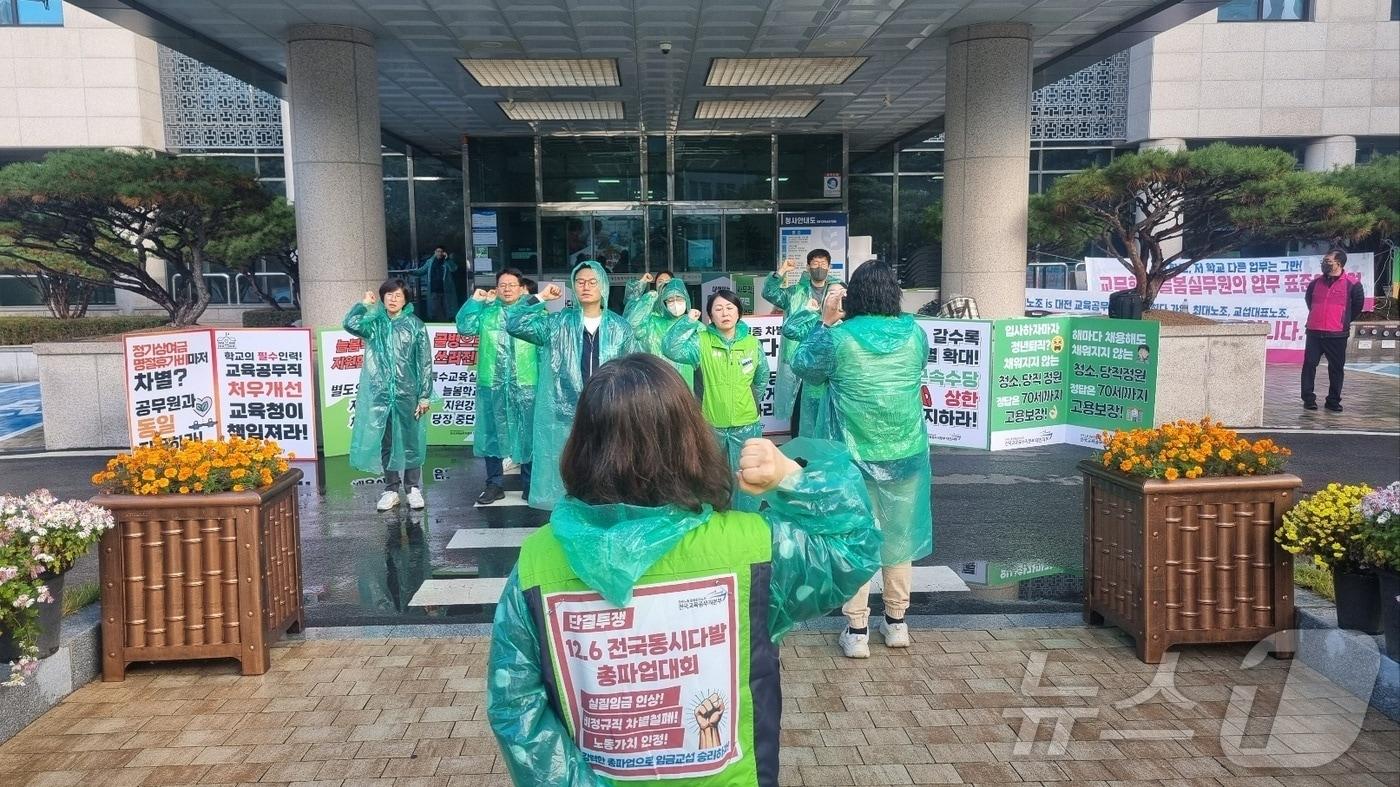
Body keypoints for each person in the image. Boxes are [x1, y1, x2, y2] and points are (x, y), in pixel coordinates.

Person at [486, 353, 881, 786]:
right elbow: (854, 548)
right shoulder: (753, 547)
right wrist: (791, 477)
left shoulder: (538, 563)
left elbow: (515, 707)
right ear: (691, 437)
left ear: (581, 444)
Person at [792, 261, 934, 659]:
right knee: (898, 539)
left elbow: (805, 367)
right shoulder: (914, 335)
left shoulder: (839, 338)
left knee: (854, 539)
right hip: (905, 452)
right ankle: (897, 623)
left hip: (852, 458)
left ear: (853, 294)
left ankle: (857, 629)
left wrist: (824, 321)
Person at [505, 260, 639, 510]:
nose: (586, 286)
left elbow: (632, 372)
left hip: (608, 411)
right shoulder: (557, 323)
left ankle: (603, 515)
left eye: (592, 281)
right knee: (567, 470)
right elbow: (514, 324)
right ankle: (567, 519)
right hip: (564, 412)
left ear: (604, 286)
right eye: (580, 281)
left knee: (607, 468)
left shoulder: (621, 328)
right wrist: (540, 298)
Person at [663, 290, 767, 510]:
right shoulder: (701, 343)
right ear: (710, 316)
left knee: (748, 476)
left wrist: (749, 403)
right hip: (712, 425)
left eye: (730, 308)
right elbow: (670, 349)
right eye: (718, 309)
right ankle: (716, 522)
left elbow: (761, 378)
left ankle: (746, 522)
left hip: (746, 423)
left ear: (739, 313)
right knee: (712, 478)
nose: (725, 313)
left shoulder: (752, 343)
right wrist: (687, 323)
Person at [343, 279, 433, 511]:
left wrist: (424, 395)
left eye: (398, 295)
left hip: (408, 392)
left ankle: (413, 488)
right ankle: (391, 488)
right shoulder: (375, 324)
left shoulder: (415, 325)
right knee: (388, 442)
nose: (393, 299)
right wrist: (364, 305)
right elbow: (350, 324)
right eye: (389, 295)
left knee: (411, 442)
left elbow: (424, 362)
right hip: (381, 393)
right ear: (383, 298)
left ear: (406, 299)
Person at [456, 268, 537, 505]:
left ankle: (530, 484)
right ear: (497, 288)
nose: (507, 288)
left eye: (512, 284)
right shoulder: (487, 313)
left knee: (527, 434)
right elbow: (465, 327)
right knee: (492, 434)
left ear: (522, 288)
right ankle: (494, 484)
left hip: (526, 382)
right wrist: (475, 302)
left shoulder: (532, 312)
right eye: (503, 284)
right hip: (491, 382)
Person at [764, 248, 842, 436]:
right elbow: (770, 293)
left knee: (828, 409)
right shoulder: (795, 292)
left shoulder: (838, 291)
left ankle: (823, 454)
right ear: (808, 266)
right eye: (815, 263)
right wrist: (781, 272)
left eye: (823, 263)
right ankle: (799, 454)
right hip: (799, 360)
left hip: (828, 359)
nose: (819, 267)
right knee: (799, 408)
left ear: (829, 267)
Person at [1302, 248, 1365, 413]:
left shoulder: (1353, 284)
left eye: (1328, 261)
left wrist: (1342, 320)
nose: (1324, 263)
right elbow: (1310, 301)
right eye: (1324, 260)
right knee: (1309, 365)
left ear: (1339, 263)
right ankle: (1308, 399)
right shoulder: (1315, 283)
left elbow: (1357, 306)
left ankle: (1333, 401)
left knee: (1336, 368)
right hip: (1314, 332)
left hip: (1337, 334)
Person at [626, 277, 696, 387]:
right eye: (670, 300)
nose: (675, 303)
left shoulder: (694, 325)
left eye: (679, 298)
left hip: (684, 386)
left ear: (686, 299)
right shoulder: (653, 322)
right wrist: (648, 299)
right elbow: (632, 326)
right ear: (664, 302)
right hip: (657, 384)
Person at [412, 245, 460, 322]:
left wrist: (447, 259)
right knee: (435, 310)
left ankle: (447, 323)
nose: (439, 253)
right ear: (434, 252)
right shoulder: (430, 262)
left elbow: (453, 269)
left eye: (441, 252)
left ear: (444, 253)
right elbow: (422, 271)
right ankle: (438, 324)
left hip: (446, 291)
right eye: (437, 251)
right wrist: (411, 272)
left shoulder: (447, 262)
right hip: (434, 290)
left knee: (447, 309)